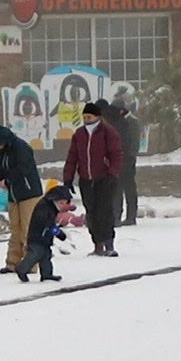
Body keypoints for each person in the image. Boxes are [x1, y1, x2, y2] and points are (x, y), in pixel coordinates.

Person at [62, 101, 124, 257]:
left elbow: (116, 154)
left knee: (105, 211)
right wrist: (68, 178)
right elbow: (72, 157)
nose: (86, 119)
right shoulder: (79, 134)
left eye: (89, 116)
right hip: (86, 179)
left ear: (97, 117)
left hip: (104, 178)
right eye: (84, 117)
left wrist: (113, 173)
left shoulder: (108, 132)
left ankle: (109, 243)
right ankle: (97, 243)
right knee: (91, 212)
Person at [0, 124, 43, 274]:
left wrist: (8, 181)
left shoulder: (21, 148)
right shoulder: (2, 150)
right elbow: (1, 169)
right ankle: (13, 262)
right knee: (15, 228)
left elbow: (23, 169)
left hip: (29, 192)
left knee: (27, 229)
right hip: (13, 193)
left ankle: (30, 263)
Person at [16, 184, 75, 283]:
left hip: (45, 239)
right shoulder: (44, 207)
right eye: (61, 203)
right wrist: (58, 233)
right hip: (37, 238)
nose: (62, 206)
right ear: (54, 200)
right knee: (35, 255)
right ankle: (22, 269)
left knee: (46, 256)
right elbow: (48, 225)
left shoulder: (51, 207)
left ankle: (47, 274)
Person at [105, 96, 140, 226]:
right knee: (116, 189)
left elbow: (134, 142)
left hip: (128, 160)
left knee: (129, 188)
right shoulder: (115, 122)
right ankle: (117, 216)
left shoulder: (132, 122)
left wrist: (131, 157)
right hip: (116, 160)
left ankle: (131, 216)